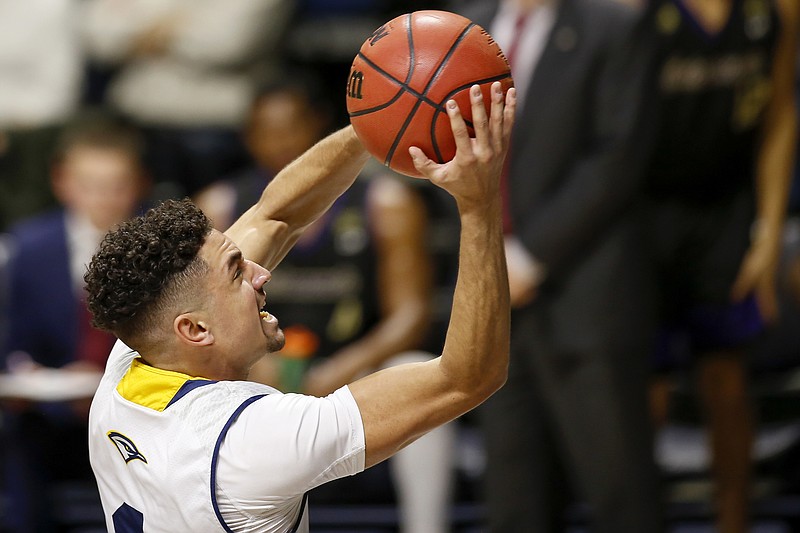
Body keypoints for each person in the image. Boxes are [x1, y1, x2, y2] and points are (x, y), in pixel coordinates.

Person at [84, 83, 515, 531]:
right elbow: (469, 376)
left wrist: (380, 121)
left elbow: (277, 215)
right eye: (237, 274)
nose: (261, 273)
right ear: (194, 330)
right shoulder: (249, 440)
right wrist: (479, 203)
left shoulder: (125, 369)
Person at [194, 76, 456, 532]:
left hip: (353, 370)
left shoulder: (385, 202)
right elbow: (201, 318)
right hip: (258, 371)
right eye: (266, 131)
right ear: (247, 138)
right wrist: (253, 366)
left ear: (317, 126)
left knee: (422, 369)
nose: (280, 143)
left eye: (291, 128)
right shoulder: (220, 206)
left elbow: (411, 316)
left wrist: (344, 368)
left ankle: (427, 526)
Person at [450, 0, 663, 531]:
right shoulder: (461, 26)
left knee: (621, 498)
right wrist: (485, 248)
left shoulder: (615, 26)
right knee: (513, 503)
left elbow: (619, 156)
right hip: (496, 302)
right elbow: (438, 139)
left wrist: (529, 254)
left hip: (587, 292)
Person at [640, 1, 798, 531]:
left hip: (726, 212)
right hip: (643, 212)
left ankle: (734, 522)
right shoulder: (634, 12)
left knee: (728, 380)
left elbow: (779, 114)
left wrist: (770, 233)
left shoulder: (775, 11)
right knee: (644, 390)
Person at [0, 111, 150, 531]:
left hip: (138, 405)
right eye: (90, 186)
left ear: (139, 182)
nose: (104, 198)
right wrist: (26, 371)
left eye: (117, 185)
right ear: (62, 182)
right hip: (55, 413)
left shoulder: (163, 248)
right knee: (20, 437)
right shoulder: (32, 247)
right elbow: (16, 342)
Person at [80, 0, 295, 197]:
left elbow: (228, 43)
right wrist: (182, 28)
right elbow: (98, 36)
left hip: (217, 128)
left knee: (214, 225)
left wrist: (143, 33)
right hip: (135, 118)